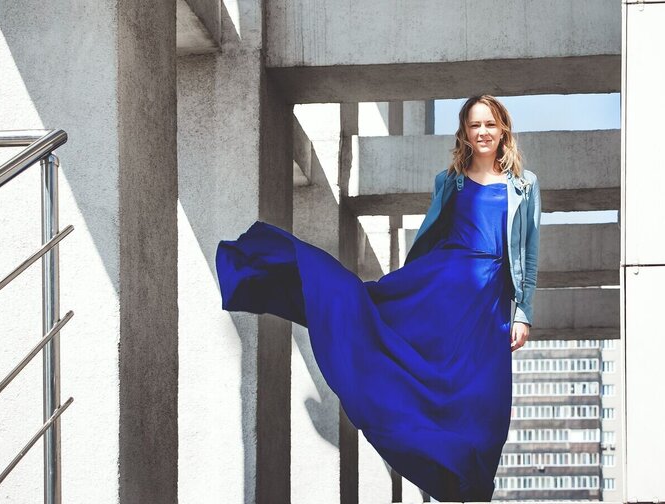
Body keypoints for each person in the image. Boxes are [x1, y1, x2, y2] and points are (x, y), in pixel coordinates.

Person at [215, 94, 540, 502]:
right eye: (475, 125)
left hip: (489, 300)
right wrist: (407, 285)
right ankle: (271, 270)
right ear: (465, 133)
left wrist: (523, 311)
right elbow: (433, 238)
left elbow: (528, 252)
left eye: (490, 124)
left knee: (486, 400)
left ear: (503, 128)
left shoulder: (524, 186)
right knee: (376, 322)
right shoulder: (450, 182)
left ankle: (465, 479)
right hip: (443, 287)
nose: (483, 132)